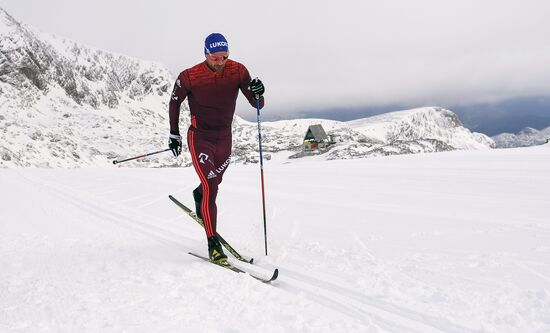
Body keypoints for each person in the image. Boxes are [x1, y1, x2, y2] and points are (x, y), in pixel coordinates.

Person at [167, 33, 265, 264]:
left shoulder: (238, 71)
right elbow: (174, 102)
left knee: (215, 182)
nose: (220, 61)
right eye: (215, 57)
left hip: (224, 138)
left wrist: (260, 93)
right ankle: (213, 243)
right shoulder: (190, 76)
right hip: (200, 137)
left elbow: (256, 103)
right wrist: (174, 133)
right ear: (206, 54)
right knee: (212, 185)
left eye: (224, 56)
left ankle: (198, 194)